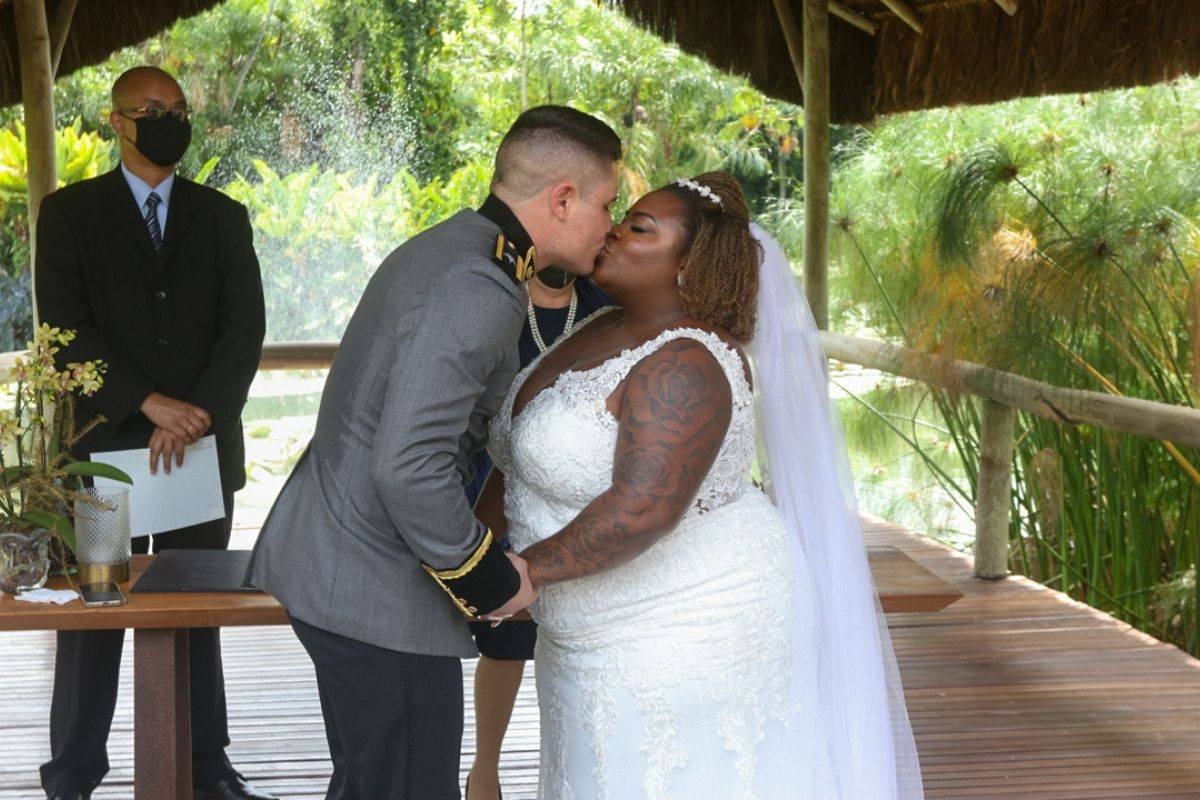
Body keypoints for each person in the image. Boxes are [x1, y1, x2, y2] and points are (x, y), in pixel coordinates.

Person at [480, 172, 924, 798]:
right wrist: (468, 554)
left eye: (638, 228)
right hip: (584, 632)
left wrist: (518, 575)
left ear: (689, 266)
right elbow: (517, 462)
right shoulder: (596, 329)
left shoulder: (686, 363)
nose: (612, 230)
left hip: (691, 629)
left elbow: (642, 510)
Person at [246, 105, 621, 799]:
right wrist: (490, 582)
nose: (611, 224)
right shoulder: (476, 286)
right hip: (372, 585)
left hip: (343, 567)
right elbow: (409, 465)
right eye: (607, 202)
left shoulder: (460, 246)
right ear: (563, 199)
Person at [34, 67, 270, 800]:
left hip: (199, 451)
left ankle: (208, 769)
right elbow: (65, 328)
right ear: (116, 122)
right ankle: (73, 775)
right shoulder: (69, 213)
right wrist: (151, 403)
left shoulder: (223, 215)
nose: (168, 120)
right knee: (94, 609)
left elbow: (245, 328)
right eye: (151, 110)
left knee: (198, 611)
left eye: (177, 109)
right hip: (103, 453)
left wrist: (196, 412)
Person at [463, 266, 613, 800]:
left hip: (582, 489)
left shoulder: (605, 301)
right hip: (497, 479)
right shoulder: (496, 299)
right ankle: (485, 769)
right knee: (506, 637)